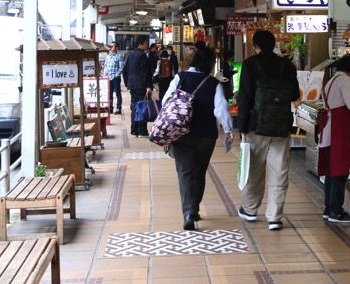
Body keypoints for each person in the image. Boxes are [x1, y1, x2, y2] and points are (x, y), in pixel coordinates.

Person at [164, 46, 233, 231]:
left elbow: (165, 102)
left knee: (185, 172)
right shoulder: (213, 83)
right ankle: (193, 208)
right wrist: (228, 131)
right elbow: (221, 109)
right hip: (206, 134)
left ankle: (189, 212)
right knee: (199, 171)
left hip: (181, 133)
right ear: (210, 64)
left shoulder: (180, 78)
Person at [236, 30, 300, 231]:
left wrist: (242, 126)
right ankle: (275, 217)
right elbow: (293, 94)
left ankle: (250, 209)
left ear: (256, 46)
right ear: (273, 45)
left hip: (256, 127)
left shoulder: (250, 64)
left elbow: (245, 96)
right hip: (281, 126)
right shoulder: (287, 65)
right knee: (279, 171)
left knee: (253, 170)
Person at [317, 55, 350, 223]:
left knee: (330, 172)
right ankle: (336, 211)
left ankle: (328, 208)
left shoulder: (331, 80)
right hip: (337, 130)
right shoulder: (346, 80)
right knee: (339, 172)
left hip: (329, 128)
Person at [122, 36, 153, 137]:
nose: (147, 45)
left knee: (135, 106)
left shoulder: (129, 56)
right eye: (146, 43)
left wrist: (127, 83)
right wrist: (149, 86)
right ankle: (142, 130)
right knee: (142, 107)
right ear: (141, 44)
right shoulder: (143, 56)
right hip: (142, 86)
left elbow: (125, 71)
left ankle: (134, 129)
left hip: (132, 85)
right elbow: (146, 72)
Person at [104, 42, 124, 114]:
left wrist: (116, 75)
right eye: (110, 46)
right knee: (109, 93)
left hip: (115, 78)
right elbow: (105, 66)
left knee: (118, 93)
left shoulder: (119, 56)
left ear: (116, 48)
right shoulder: (108, 56)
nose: (111, 47)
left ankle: (118, 108)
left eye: (112, 46)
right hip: (108, 77)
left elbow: (121, 67)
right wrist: (105, 73)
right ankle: (110, 108)